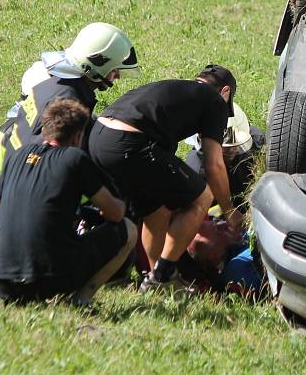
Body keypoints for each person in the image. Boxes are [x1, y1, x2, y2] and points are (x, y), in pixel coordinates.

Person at [0, 22, 139, 245]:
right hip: (20, 162)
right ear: (96, 66)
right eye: (114, 70)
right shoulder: (68, 98)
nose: (117, 77)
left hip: (12, 146)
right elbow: (45, 164)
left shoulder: (61, 79)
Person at [87, 64, 239, 292]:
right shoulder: (215, 100)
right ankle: (164, 274)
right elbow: (214, 164)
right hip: (128, 141)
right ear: (225, 92)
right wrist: (229, 211)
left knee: (156, 210)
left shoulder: (176, 89)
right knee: (201, 197)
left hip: (98, 137)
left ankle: (154, 279)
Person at [0, 98, 137, 305]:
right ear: (78, 135)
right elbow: (115, 214)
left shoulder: (18, 156)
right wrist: (120, 204)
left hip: (0, 278)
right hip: (48, 281)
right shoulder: (74, 158)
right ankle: (83, 298)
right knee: (128, 229)